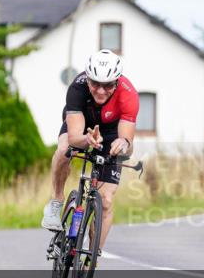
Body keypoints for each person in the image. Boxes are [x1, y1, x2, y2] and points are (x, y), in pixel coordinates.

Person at [41, 50, 139, 256]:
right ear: (88, 79)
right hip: (83, 121)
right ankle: (57, 201)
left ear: (117, 81)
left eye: (108, 85)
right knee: (64, 148)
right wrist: (87, 139)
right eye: (95, 84)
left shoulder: (129, 95)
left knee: (106, 201)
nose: (101, 91)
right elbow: (75, 136)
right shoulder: (77, 87)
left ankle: (90, 263)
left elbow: (128, 142)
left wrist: (122, 143)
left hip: (112, 131)